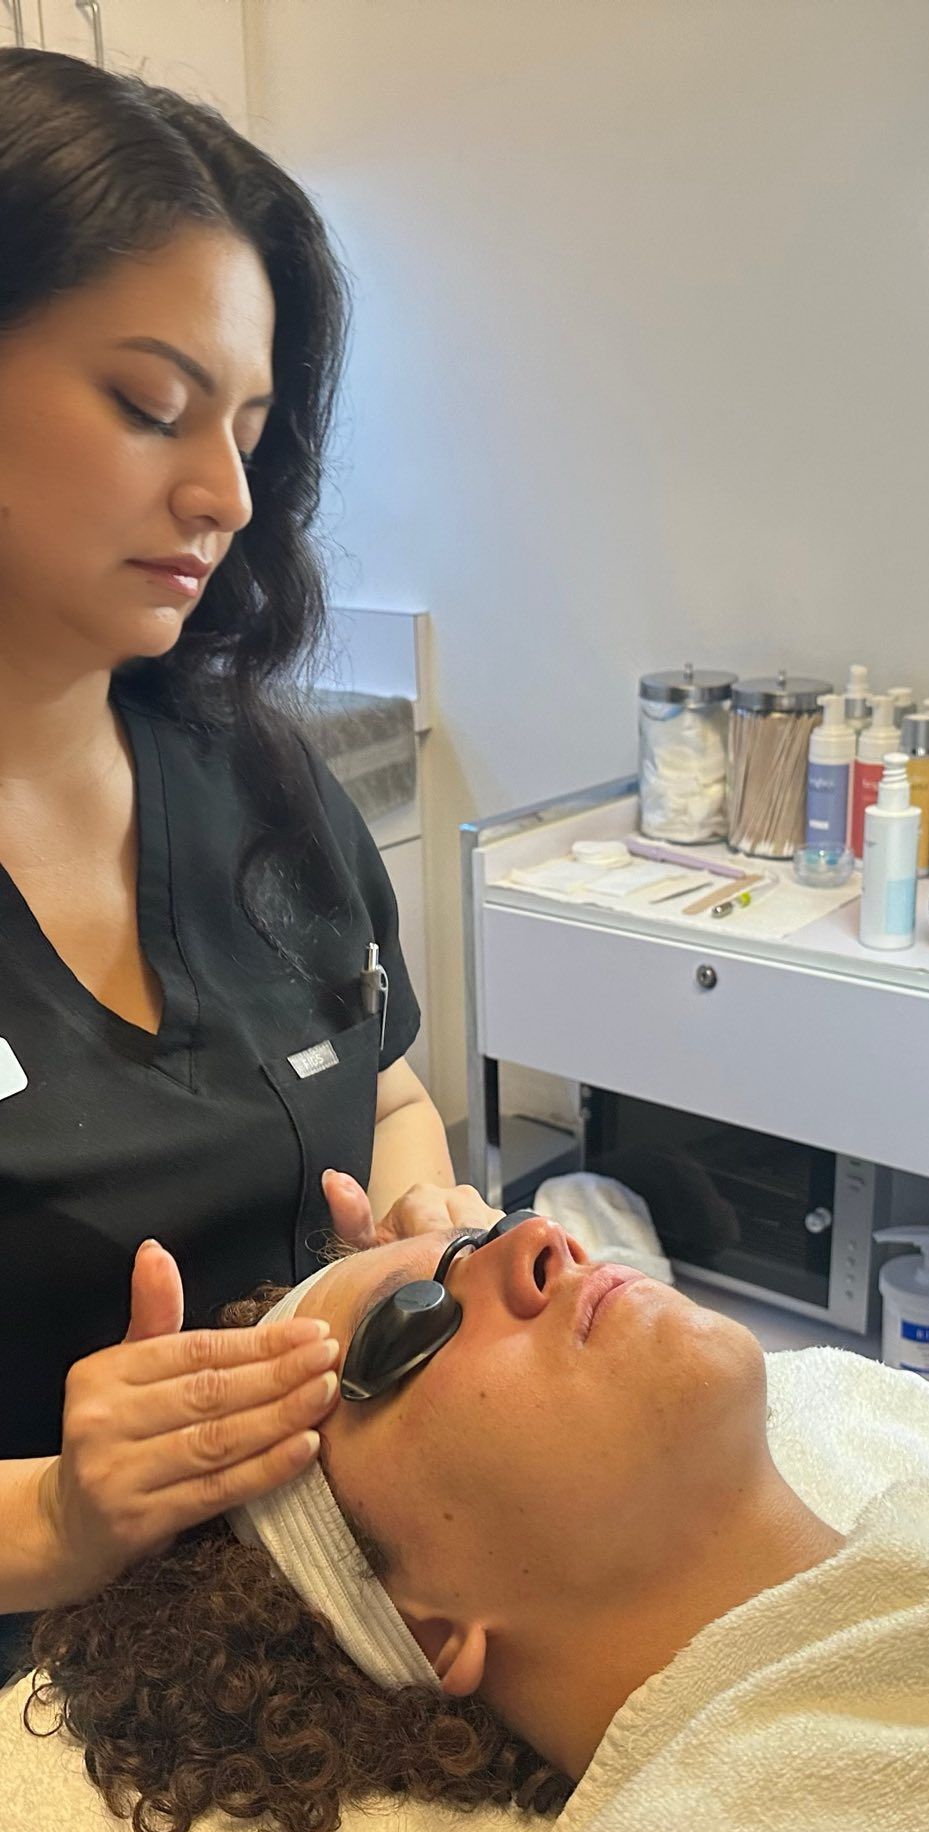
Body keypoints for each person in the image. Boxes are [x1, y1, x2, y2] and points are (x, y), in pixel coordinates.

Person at [0, 47, 496, 1676]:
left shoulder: (253, 774)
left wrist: (414, 1215)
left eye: (252, 427)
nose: (221, 493)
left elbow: (389, 1079)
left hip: (288, 1636)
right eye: (150, 405)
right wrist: (56, 1526)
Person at [20, 1213, 929, 1832]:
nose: (536, 1236)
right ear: (428, 1626)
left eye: (476, 1233)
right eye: (414, 1321)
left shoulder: (891, 1437)